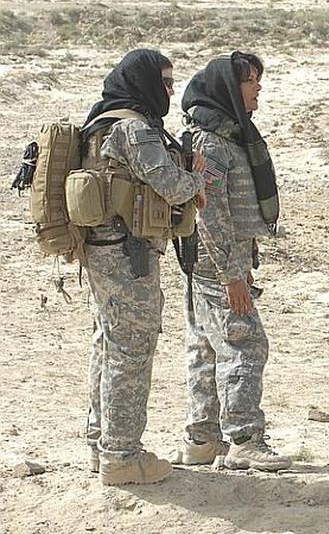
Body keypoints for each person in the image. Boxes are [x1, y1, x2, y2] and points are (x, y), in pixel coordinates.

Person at [82, 49, 207, 485]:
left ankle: (101, 443)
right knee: (131, 351)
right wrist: (197, 177)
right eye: (166, 82)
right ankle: (121, 456)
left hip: (101, 251)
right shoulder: (135, 129)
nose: (170, 91)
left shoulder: (100, 122)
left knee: (108, 343)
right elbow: (173, 187)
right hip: (128, 255)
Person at [170, 52, 289, 471]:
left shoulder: (225, 137)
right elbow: (210, 212)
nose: (257, 88)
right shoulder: (212, 143)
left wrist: (241, 262)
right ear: (227, 88)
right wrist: (232, 275)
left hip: (212, 260)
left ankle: (202, 439)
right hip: (215, 263)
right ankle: (245, 439)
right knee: (245, 344)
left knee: (205, 346)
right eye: (250, 81)